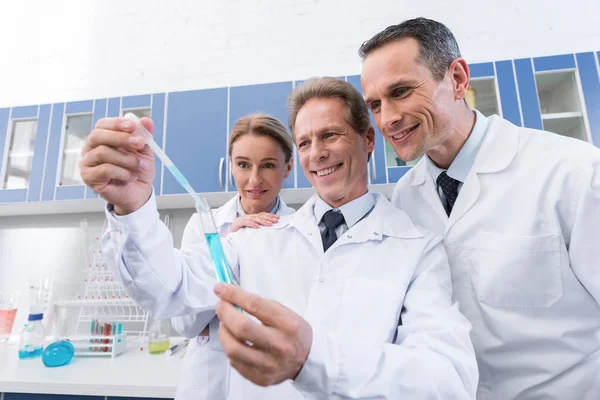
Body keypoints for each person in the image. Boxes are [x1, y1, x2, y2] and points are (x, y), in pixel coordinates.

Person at [80, 77, 478, 399]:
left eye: (331, 135)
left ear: (368, 140)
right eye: (305, 142)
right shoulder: (257, 237)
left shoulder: (415, 248)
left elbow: (448, 380)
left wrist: (313, 358)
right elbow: (169, 289)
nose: (317, 153)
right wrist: (132, 208)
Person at [359, 17, 600, 400]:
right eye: (375, 104)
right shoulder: (405, 197)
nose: (387, 118)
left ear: (457, 79)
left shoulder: (574, 173)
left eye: (401, 91)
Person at [171, 114, 296, 400]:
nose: (254, 180)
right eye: (243, 165)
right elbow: (186, 324)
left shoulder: (300, 230)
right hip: (206, 385)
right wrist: (223, 249)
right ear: (230, 165)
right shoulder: (205, 226)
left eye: (268, 165)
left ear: (288, 167)